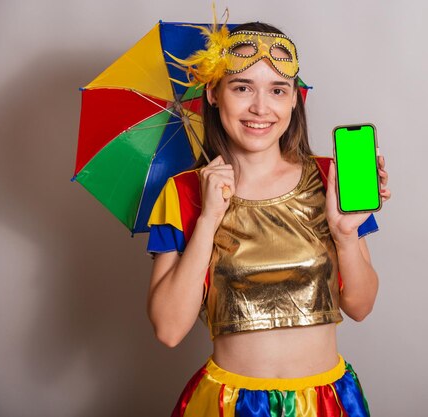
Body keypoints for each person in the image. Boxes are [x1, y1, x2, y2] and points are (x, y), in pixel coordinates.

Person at [146, 18, 391, 416]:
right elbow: (170, 330)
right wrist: (208, 219)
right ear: (213, 93)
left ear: (294, 99)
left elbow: (361, 307)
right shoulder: (184, 193)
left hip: (325, 403)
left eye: (277, 90)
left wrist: (345, 236)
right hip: (230, 405)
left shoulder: (333, 178)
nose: (260, 108)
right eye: (242, 88)